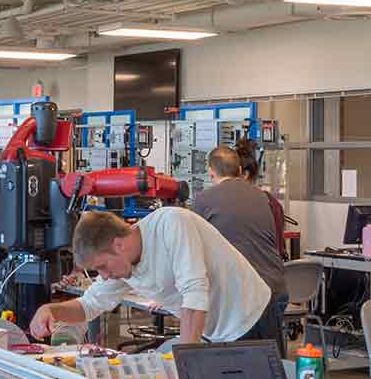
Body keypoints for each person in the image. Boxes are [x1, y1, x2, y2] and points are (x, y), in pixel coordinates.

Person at [30, 207, 275, 348]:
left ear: (118, 245)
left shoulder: (171, 224)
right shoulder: (122, 265)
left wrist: (184, 362)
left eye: (102, 266)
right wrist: (51, 310)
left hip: (250, 318)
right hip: (213, 330)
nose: (103, 277)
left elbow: (195, 293)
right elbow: (91, 304)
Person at [191, 145, 291, 350]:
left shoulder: (204, 199)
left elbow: (191, 252)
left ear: (211, 171)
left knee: (239, 369)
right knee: (270, 368)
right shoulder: (264, 198)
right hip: (274, 289)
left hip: (243, 297)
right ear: (239, 170)